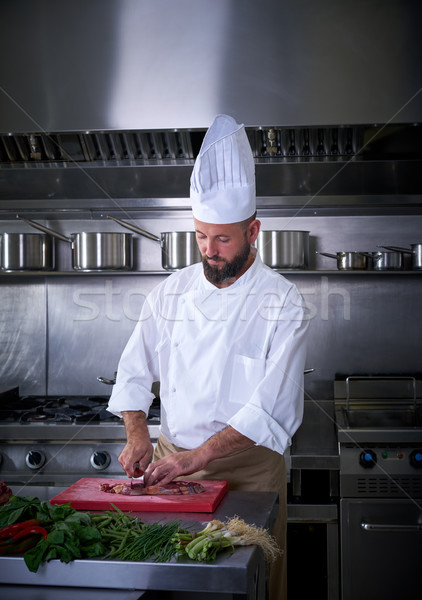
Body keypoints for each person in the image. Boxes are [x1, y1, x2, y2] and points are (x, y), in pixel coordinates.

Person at [108, 114, 309, 600]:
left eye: (223, 239)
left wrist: (199, 458)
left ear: (253, 230)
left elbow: (270, 411)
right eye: (201, 236)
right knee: (170, 583)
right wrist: (138, 434)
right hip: (171, 463)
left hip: (250, 472)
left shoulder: (283, 302)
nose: (210, 251)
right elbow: (134, 373)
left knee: (247, 586)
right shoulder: (170, 293)